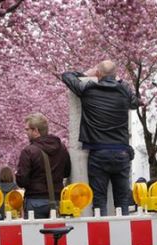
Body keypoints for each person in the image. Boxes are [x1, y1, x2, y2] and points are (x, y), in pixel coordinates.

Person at [61, 60, 138, 215]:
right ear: (115, 75)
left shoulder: (88, 89)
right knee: (122, 200)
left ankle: (101, 234)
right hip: (121, 153)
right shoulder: (124, 91)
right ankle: (122, 234)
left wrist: (85, 74)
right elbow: (136, 103)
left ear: (98, 74)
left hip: (98, 153)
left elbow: (66, 75)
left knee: (99, 200)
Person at [15, 112, 71, 218]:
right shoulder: (61, 148)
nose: (26, 133)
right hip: (58, 200)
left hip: (35, 200)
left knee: (35, 233)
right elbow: (67, 172)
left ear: (36, 130)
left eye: (27, 130)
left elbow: (22, 181)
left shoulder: (29, 151)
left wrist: (18, 175)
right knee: (58, 233)